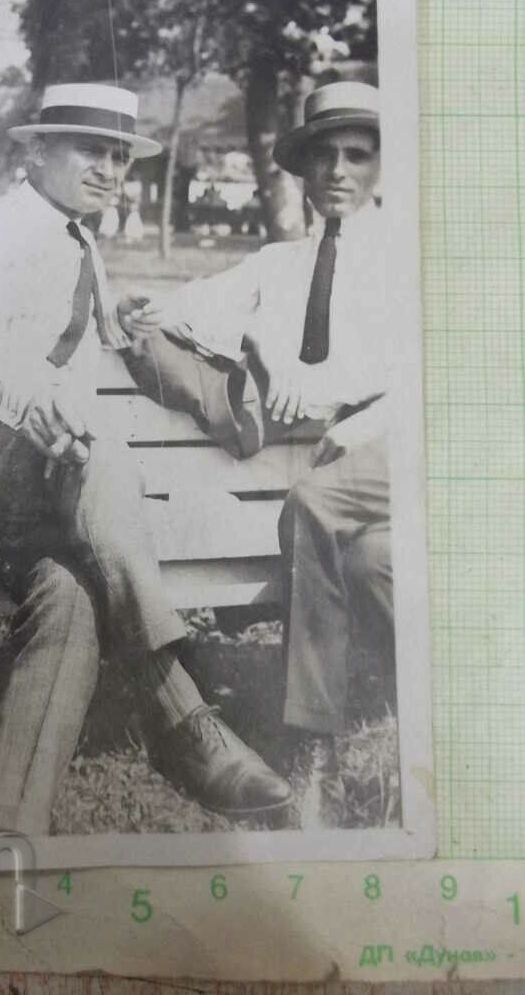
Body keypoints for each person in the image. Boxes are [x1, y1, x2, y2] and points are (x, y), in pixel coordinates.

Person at [0, 83, 292, 834]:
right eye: (91, 152)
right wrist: (38, 403)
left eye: (119, 158)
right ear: (35, 150)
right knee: (99, 460)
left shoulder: (84, 246)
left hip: (38, 477)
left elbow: (118, 338)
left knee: (70, 589)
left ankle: (6, 828)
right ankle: (181, 711)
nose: (109, 171)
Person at [127, 81, 393, 738]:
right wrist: (146, 310)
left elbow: (436, 371)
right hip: (335, 467)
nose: (337, 172)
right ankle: (418, 698)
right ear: (302, 173)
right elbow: (188, 310)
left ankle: (308, 731)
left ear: (383, 167)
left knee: (312, 504)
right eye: (322, 157)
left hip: (405, 442)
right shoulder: (280, 265)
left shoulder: (408, 257)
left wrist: (351, 409)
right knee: (371, 562)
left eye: (356, 156)